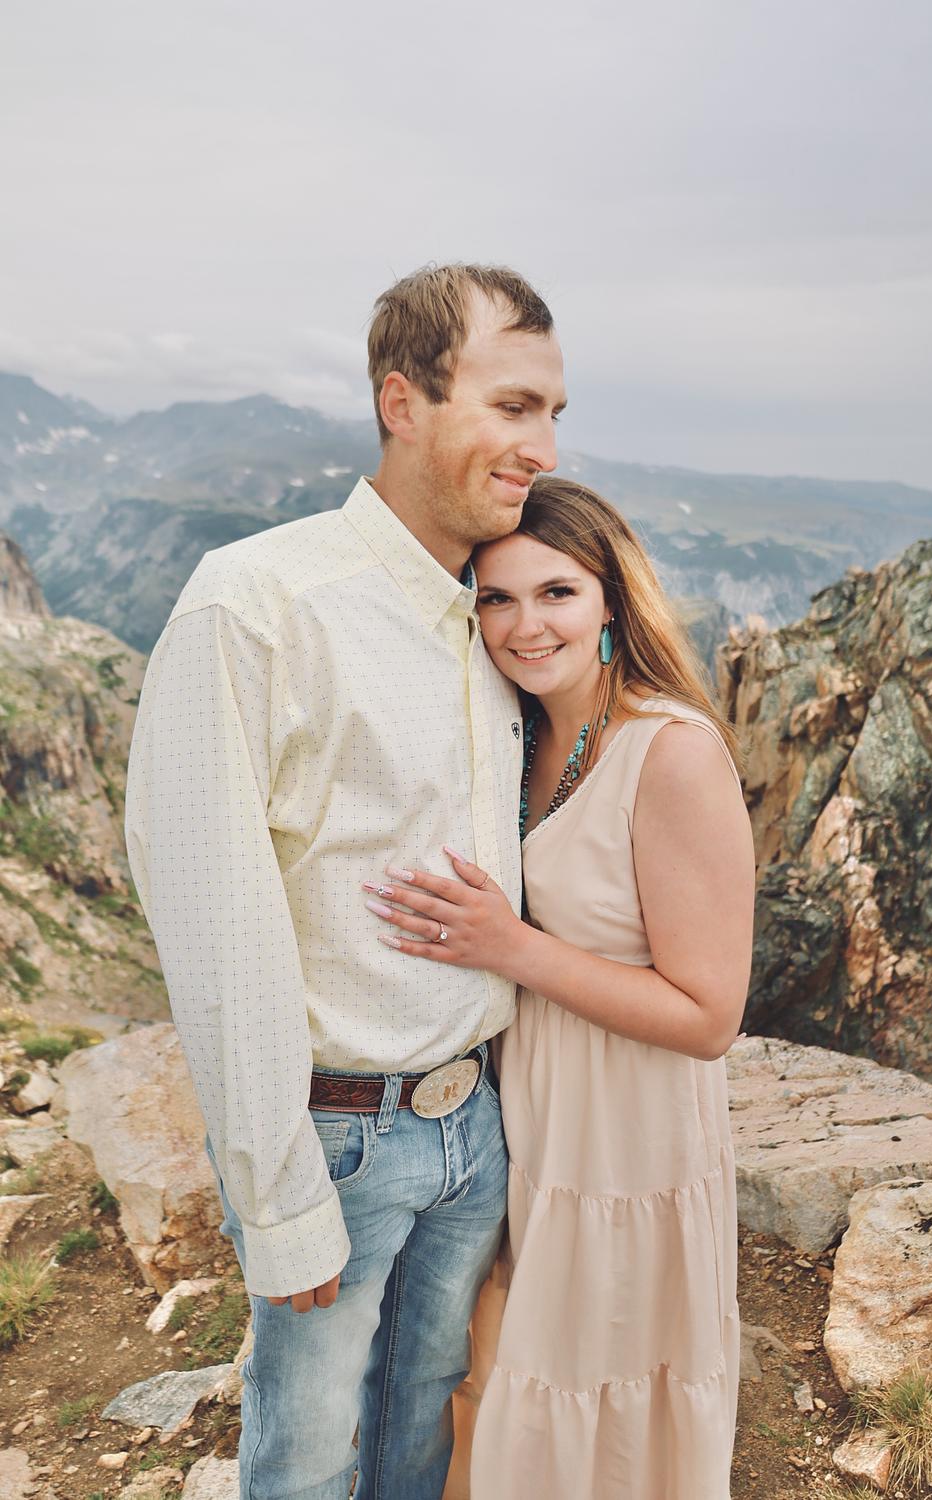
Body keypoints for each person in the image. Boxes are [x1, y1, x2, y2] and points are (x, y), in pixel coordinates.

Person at [123, 263, 567, 1500]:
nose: (540, 446)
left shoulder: (495, 615)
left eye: (552, 414)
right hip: (336, 1139)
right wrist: (278, 1203)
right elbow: (214, 921)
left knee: (418, 1438)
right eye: (511, 405)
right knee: (310, 1465)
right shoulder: (257, 604)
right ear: (401, 401)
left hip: (475, 1126)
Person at [363, 475, 754, 1500]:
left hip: (624, 1136)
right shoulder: (519, 735)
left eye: (557, 593)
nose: (525, 625)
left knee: (599, 1394)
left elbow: (710, 1016)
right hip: (519, 1122)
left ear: (611, 600)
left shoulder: (670, 754)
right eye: (496, 598)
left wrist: (512, 946)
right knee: (501, 1378)